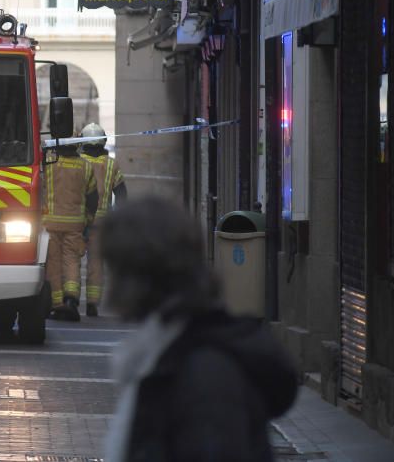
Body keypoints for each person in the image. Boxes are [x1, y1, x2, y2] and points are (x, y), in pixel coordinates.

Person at [97, 197, 298, 462]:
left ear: (138, 274)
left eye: (114, 267)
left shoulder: (205, 371)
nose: (108, 279)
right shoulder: (165, 349)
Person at [41, 141, 98, 321]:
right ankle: (71, 300)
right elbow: (93, 198)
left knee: (53, 264)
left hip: (50, 223)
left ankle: (57, 304)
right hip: (75, 224)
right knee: (71, 261)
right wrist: (88, 219)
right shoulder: (86, 167)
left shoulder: (48, 164)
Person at [79, 123, 127, 317]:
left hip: (79, 219)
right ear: (103, 141)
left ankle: (69, 299)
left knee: (69, 261)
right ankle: (92, 303)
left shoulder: (79, 162)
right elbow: (122, 193)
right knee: (96, 263)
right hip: (101, 222)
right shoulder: (111, 164)